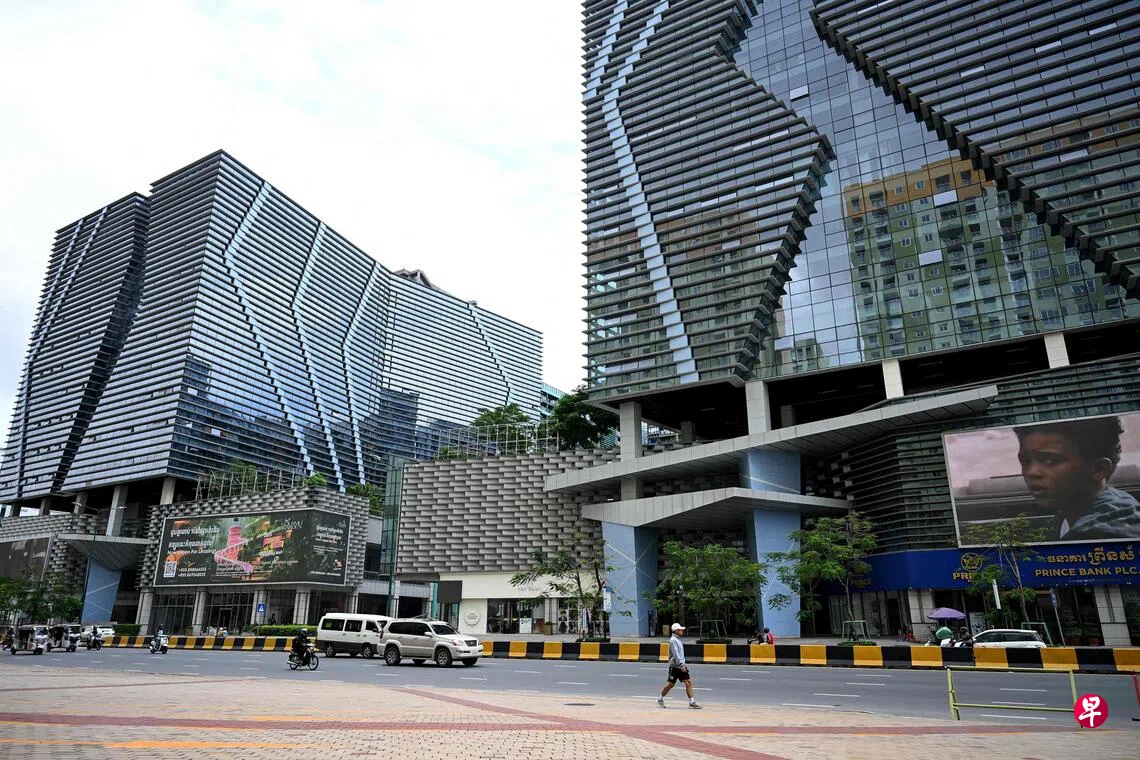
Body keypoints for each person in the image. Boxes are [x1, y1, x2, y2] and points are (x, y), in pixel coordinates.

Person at [1015, 416, 1140, 541]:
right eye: (1025, 461)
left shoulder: (1102, 536)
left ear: (1099, 469)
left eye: (1050, 461)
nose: (1031, 472)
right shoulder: (1071, 510)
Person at [657, 622, 701, 709]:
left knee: (688, 682)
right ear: (676, 631)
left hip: (680, 665)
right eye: (680, 630)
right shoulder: (673, 640)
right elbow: (676, 654)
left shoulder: (677, 640)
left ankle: (692, 701)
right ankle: (660, 698)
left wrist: (682, 664)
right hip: (675, 666)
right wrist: (681, 665)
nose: (682, 631)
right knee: (671, 684)